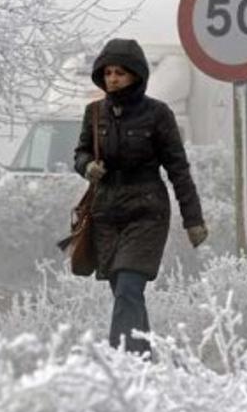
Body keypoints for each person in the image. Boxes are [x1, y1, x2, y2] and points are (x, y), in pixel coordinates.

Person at [73, 38, 208, 357]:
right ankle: (146, 365)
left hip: (146, 213)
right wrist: (87, 166)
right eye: (107, 73)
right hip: (107, 214)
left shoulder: (158, 115)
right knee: (125, 293)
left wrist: (194, 220)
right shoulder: (94, 113)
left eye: (120, 72)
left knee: (129, 288)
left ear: (136, 75)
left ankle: (121, 365)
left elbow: (178, 169)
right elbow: (79, 152)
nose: (113, 79)